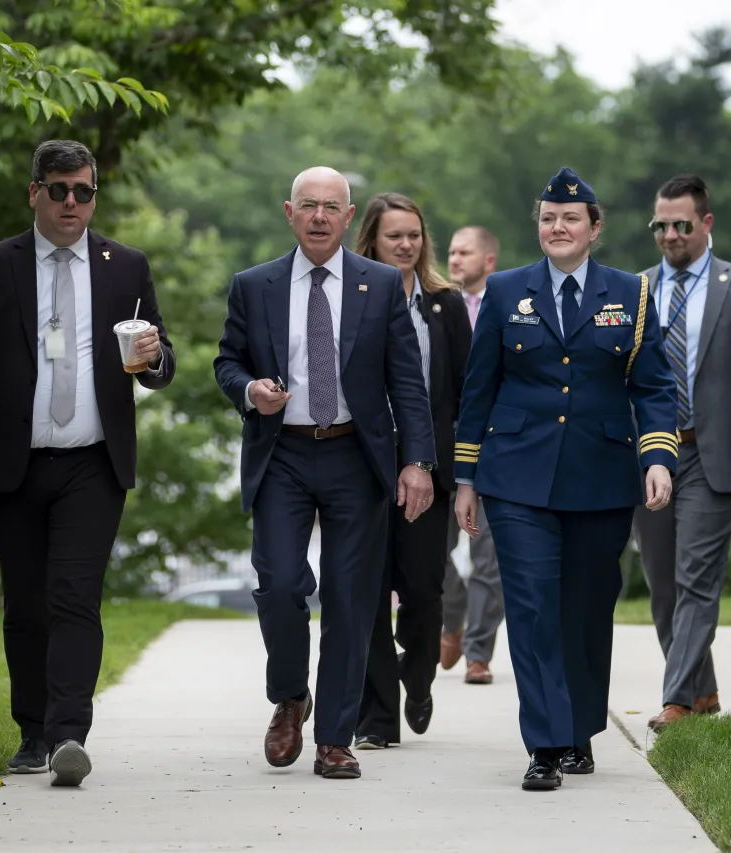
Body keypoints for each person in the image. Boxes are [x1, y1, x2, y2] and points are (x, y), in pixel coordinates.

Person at [0, 139, 176, 787]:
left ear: (95, 194)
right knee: (26, 605)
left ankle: (70, 732)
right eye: (60, 189)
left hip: (94, 464)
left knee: (74, 596)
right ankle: (32, 730)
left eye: (85, 191)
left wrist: (153, 357)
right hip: (12, 462)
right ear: (34, 191)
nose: (73, 202)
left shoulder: (126, 266)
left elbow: (160, 359)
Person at [452, 167, 677, 791]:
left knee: (584, 609)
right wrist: (465, 477)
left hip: (602, 478)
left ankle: (577, 729)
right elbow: (479, 391)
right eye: (548, 218)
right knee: (530, 607)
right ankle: (545, 744)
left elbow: (654, 386)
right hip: (517, 475)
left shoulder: (629, 294)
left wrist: (658, 456)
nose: (557, 227)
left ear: (594, 228)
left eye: (570, 218)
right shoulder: (504, 291)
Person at [213, 167, 437, 780]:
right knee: (282, 584)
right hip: (280, 452)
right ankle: (290, 698)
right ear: (289, 212)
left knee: (350, 598)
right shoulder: (253, 284)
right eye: (307, 206)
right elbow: (226, 360)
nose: (318, 217)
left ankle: (336, 738)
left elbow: (407, 385)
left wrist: (417, 462)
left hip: (355, 456)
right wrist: (248, 389)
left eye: (330, 207)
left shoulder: (382, 284)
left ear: (347, 215)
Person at [632, 174, 731, 731]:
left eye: (681, 224)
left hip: (715, 454)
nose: (670, 235)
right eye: (661, 226)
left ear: (706, 223)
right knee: (662, 585)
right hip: (652, 456)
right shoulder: (637, 291)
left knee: (697, 578)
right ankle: (703, 693)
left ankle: (675, 701)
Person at [350, 193, 472, 749]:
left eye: (414, 236)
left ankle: (418, 678)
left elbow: (466, 393)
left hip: (431, 470)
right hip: (364, 467)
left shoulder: (445, 306)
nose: (405, 245)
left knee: (424, 590)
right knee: (368, 593)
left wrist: (466, 470)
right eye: (394, 235)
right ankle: (377, 718)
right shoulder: (352, 297)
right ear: (372, 239)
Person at [441, 225, 506, 685]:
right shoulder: (436, 306)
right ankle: (453, 612)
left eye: (464, 253)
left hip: (494, 443)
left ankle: (478, 653)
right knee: (430, 548)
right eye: (450, 252)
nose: (454, 260)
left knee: (489, 555)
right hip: (440, 443)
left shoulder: (508, 306)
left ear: (489, 261)